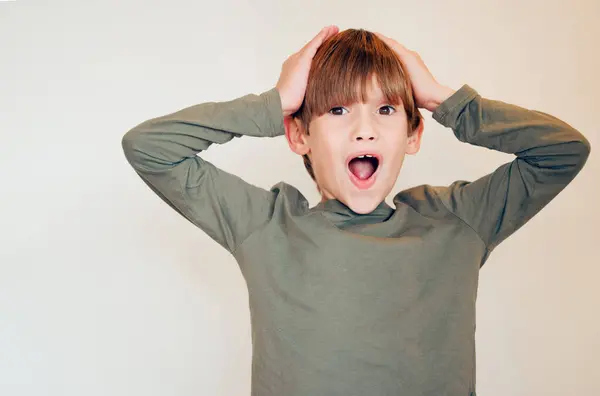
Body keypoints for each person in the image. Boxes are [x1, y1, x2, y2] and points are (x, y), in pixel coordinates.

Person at [121, 26, 591, 396]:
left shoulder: (456, 221)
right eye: (338, 110)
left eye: (386, 110)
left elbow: (564, 151)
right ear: (299, 135)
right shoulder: (266, 226)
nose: (364, 131)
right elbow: (149, 148)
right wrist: (276, 103)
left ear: (414, 136)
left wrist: (444, 101)